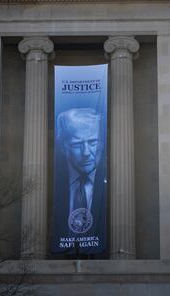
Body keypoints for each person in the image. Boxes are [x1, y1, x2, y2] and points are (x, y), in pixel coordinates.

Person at [51, 107, 106, 254]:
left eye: (93, 142)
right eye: (77, 144)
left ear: (101, 144)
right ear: (63, 147)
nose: (86, 153)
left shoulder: (110, 187)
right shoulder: (53, 185)